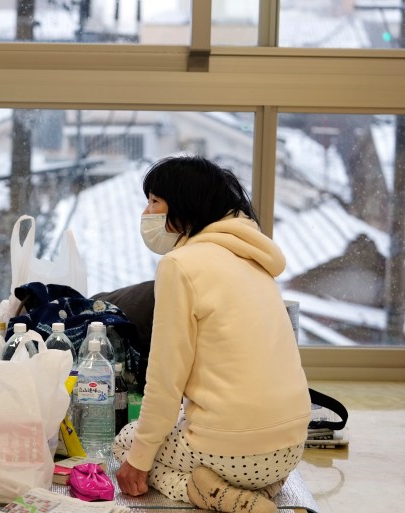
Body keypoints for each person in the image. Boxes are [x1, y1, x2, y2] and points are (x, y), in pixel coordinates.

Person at [115, 156, 311, 513]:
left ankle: (209, 493)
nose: (146, 212)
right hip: (291, 448)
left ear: (184, 204)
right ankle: (260, 490)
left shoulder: (180, 265)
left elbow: (165, 377)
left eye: (154, 201)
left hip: (234, 454)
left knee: (127, 441)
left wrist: (137, 461)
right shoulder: (254, 259)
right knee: (179, 424)